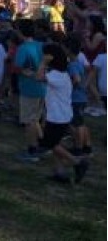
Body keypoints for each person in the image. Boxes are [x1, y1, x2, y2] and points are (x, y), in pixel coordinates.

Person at [35, 43, 89, 184]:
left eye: (45, 55)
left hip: (57, 117)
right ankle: (60, 172)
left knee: (50, 144)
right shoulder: (62, 74)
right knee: (56, 143)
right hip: (62, 114)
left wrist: (43, 63)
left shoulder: (56, 75)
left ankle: (77, 161)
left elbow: (38, 77)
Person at [14, 19, 45, 162]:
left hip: (29, 88)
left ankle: (32, 150)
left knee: (29, 121)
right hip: (43, 87)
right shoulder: (42, 45)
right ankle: (42, 145)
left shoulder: (23, 48)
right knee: (36, 119)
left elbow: (17, 67)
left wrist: (26, 72)